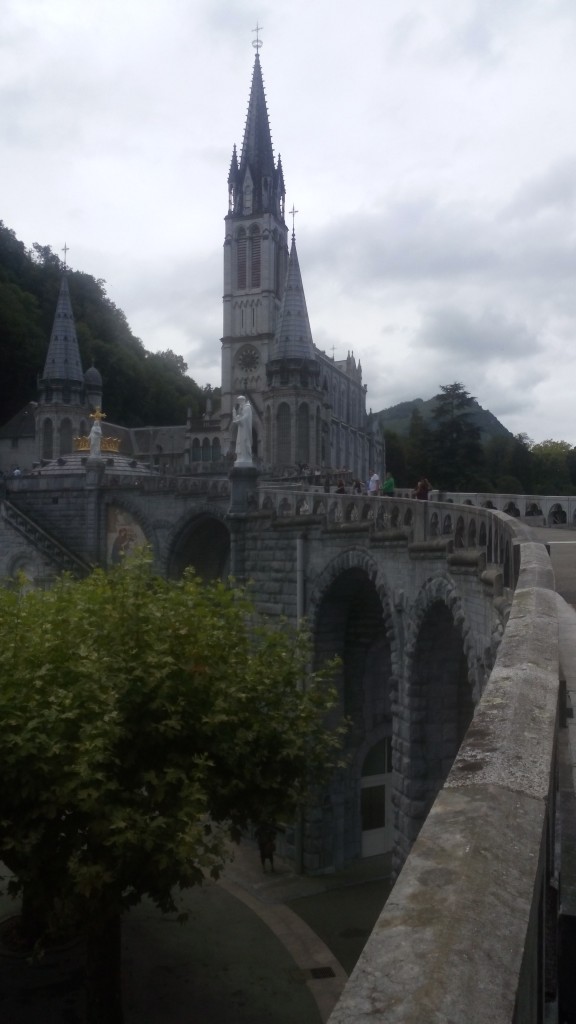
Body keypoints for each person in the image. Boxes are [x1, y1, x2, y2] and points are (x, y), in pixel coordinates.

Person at [232, 395, 253, 465]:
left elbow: (246, 417)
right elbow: (240, 416)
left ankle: (245, 457)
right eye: (238, 402)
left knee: (244, 441)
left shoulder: (247, 407)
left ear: (242, 401)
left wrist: (239, 420)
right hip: (241, 428)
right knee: (240, 442)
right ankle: (240, 457)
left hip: (245, 428)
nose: (239, 403)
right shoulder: (242, 408)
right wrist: (236, 416)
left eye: (239, 401)